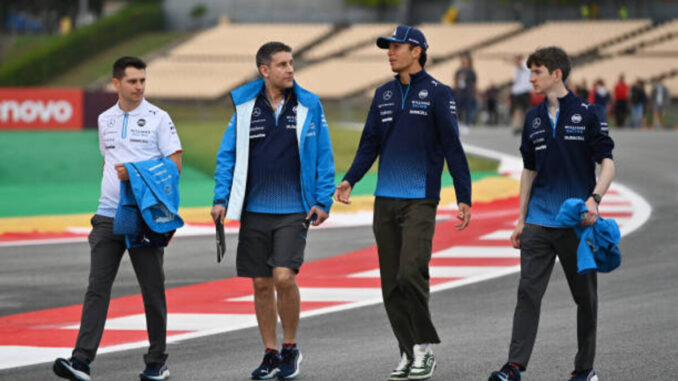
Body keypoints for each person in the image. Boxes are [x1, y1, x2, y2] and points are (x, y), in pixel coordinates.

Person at [335, 25, 472, 381]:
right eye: (388, 47)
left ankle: (424, 348)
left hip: (420, 200)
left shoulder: (440, 94)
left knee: (411, 272)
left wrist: (464, 196)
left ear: (417, 51)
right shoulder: (382, 94)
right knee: (390, 282)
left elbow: (454, 147)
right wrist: (351, 178)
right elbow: (369, 144)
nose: (390, 52)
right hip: (385, 200)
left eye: (397, 47)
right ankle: (407, 350)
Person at [488, 46, 615, 381]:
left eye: (537, 72)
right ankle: (513, 367)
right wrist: (519, 219)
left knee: (585, 299)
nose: (530, 78)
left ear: (556, 74)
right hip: (538, 223)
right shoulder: (532, 118)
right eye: (530, 72)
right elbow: (528, 171)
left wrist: (595, 199)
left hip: (578, 223)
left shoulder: (588, 112)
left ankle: (584, 369)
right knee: (527, 294)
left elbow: (607, 163)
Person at [210, 41, 335, 380]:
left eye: (291, 63)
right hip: (254, 209)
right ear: (265, 70)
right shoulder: (244, 105)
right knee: (261, 284)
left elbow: (324, 155)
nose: (290, 69)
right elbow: (227, 156)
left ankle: (290, 348)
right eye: (282, 64)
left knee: (284, 276)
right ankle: (269, 353)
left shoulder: (309, 105)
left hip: (295, 208)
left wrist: (323, 200)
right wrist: (221, 198)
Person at [53, 56, 182, 381]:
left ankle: (156, 362)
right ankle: (81, 361)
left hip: (144, 218)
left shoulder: (159, 117)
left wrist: (135, 173)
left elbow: (175, 166)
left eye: (142, 80)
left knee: (152, 291)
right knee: (96, 289)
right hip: (107, 216)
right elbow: (107, 160)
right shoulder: (104, 119)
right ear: (116, 83)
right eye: (132, 81)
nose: (139, 86)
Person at [453, 51, 478, 126]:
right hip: (460, 92)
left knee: (468, 109)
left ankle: (467, 124)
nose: (463, 60)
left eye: (465, 59)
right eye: (462, 59)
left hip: (468, 92)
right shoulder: (458, 71)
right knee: (459, 109)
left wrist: (476, 93)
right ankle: (459, 123)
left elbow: (474, 83)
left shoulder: (471, 71)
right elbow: (455, 82)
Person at [510, 55, 532, 134]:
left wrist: (520, 63)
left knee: (526, 109)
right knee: (517, 109)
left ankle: (527, 126)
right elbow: (515, 80)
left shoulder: (525, 66)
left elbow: (526, 68)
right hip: (516, 92)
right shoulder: (516, 69)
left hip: (525, 91)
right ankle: (517, 126)